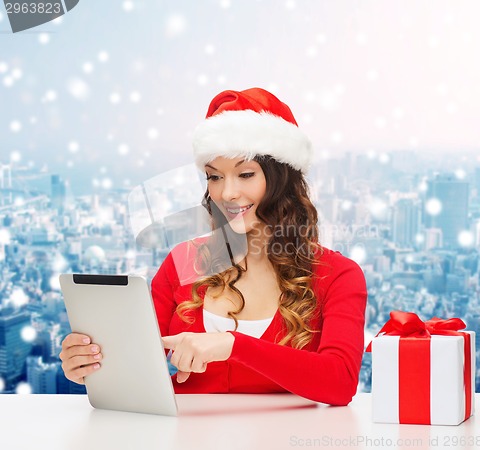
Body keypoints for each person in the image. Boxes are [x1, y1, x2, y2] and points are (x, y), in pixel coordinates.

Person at [59, 88, 367, 406]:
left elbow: (340, 383)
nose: (226, 193)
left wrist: (231, 345)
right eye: (214, 177)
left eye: (245, 174)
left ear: (282, 180)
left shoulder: (337, 275)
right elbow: (135, 358)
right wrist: (89, 361)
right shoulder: (184, 260)